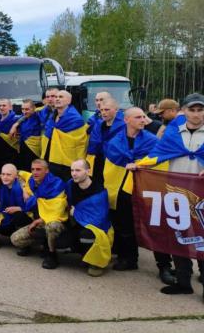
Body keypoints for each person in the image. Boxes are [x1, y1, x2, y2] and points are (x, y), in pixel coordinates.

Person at [138, 93, 204, 297]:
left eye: (200, 110)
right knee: (179, 236)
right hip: (177, 193)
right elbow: (157, 154)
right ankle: (183, 282)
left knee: (202, 238)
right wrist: (139, 165)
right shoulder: (173, 132)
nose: (196, 114)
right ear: (183, 111)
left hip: (201, 195)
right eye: (192, 110)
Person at [103, 107, 157, 271]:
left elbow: (157, 160)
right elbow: (110, 163)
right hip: (120, 187)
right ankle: (127, 258)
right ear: (126, 120)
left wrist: (139, 164)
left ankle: (162, 265)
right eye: (138, 117)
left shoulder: (151, 140)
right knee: (122, 224)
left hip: (142, 188)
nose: (143, 120)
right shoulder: (115, 141)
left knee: (148, 225)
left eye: (143, 117)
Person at [10, 159, 68, 269]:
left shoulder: (56, 185)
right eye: (32, 169)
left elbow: (57, 212)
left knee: (52, 226)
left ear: (47, 170)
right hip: (38, 221)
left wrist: (39, 220)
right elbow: (17, 172)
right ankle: (42, 243)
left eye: (38, 169)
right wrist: (24, 188)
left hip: (56, 221)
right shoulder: (31, 180)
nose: (35, 172)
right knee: (15, 240)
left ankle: (52, 254)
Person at [62, 159, 114, 277]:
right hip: (76, 221)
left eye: (78, 170)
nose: (74, 174)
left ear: (88, 171)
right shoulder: (70, 184)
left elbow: (99, 218)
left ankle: (95, 263)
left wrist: (76, 212)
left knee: (88, 233)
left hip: (97, 228)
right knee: (60, 236)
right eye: (72, 170)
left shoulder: (99, 190)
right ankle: (82, 253)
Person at [41, 90, 87, 181]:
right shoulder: (52, 116)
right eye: (56, 97)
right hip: (50, 158)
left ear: (69, 101)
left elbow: (80, 143)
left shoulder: (75, 119)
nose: (57, 99)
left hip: (66, 163)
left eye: (61, 97)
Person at [86, 98, 124, 187]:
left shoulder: (124, 126)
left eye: (107, 110)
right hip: (97, 162)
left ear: (116, 110)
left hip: (114, 163)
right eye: (101, 110)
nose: (103, 112)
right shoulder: (98, 124)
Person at [0, 99, 20, 173]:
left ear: (10, 107)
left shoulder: (16, 120)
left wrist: (15, 125)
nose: (1, 107)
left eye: (4, 105)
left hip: (10, 153)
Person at [15, 99, 42, 171]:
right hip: (22, 148)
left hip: (33, 150)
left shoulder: (38, 116)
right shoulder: (22, 117)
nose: (24, 111)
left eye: (27, 109)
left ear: (34, 108)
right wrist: (15, 125)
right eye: (22, 109)